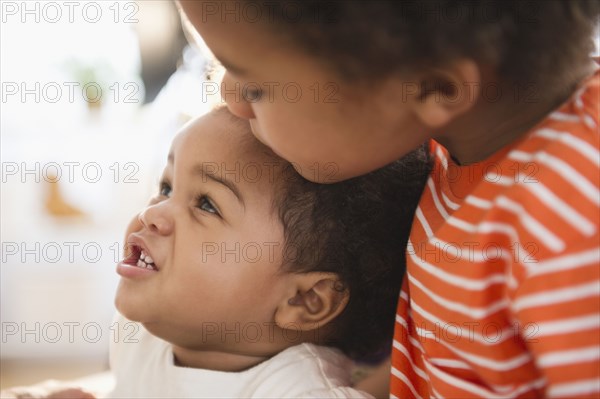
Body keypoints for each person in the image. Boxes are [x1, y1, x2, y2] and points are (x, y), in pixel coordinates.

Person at [178, 1, 600, 397]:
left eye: (255, 88)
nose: (231, 98)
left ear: (434, 88)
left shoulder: (567, 228)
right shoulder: (459, 143)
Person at [1, 106, 430, 398]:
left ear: (304, 299)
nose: (153, 213)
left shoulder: (298, 391)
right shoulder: (141, 337)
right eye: (166, 187)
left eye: (206, 204)